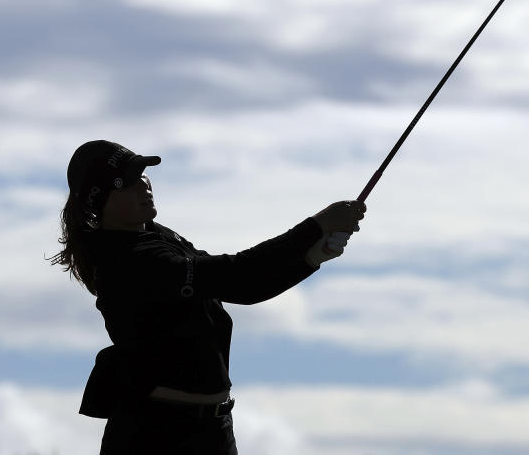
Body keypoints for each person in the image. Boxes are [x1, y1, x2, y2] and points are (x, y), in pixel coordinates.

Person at [52, 140, 365, 455]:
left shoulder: (156, 235)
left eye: (143, 176)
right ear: (100, 199)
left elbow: (244, 285)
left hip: (213, 431)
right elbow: (238, 276)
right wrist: (316, 226)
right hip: (155, 435)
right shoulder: (130, 259)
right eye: (127, 182)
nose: (143, 186)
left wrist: (309, 258)